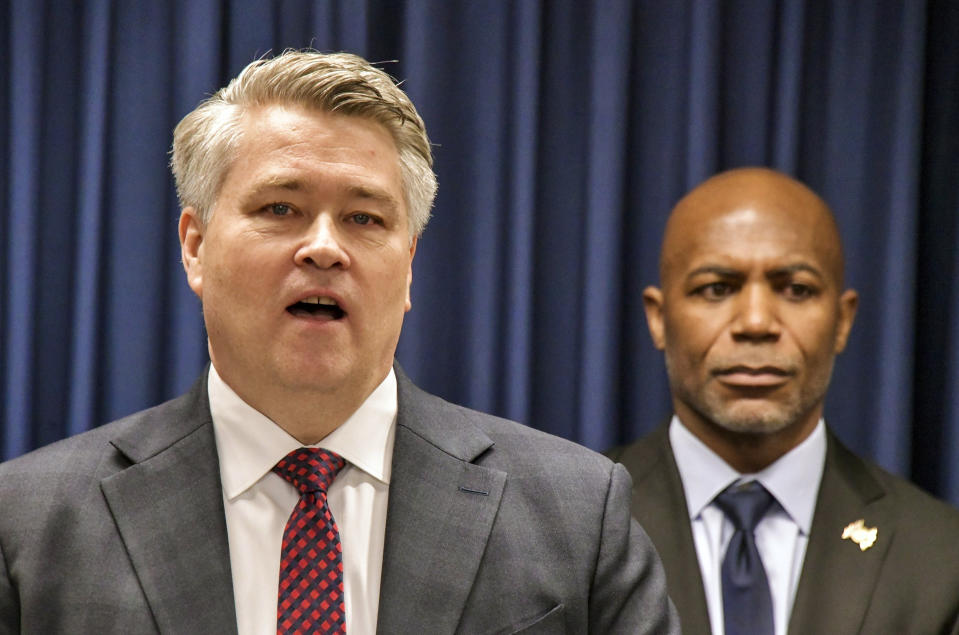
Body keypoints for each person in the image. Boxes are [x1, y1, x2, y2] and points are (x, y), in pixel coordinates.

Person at [0, 51, 678, 634]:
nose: (324, 246)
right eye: (279, 209)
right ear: (196, 246)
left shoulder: (577, 512)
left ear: (408, 263)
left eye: (363, 217)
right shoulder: (27, 523)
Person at [606, 167, 959, 635]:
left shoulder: (943, 555)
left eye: (797, 290)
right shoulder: (576, 531)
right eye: (717, 288)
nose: (755, 322)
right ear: (658, 317)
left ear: (842, 320)